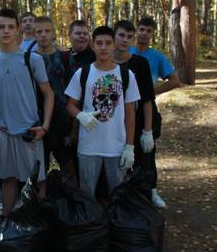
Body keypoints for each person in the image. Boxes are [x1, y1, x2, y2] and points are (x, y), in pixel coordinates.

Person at [0, 8, 54, 217]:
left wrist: (45, 126)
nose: (6, 31)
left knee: (37, 180)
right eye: (1, 27)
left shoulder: (32, 59)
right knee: (8, 179)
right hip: (3, 131)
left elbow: (48, 94)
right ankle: (8, 224)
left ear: (18, 29)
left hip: (30, 130)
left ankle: (37, 224)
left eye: (10, 27)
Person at [65, 26, 140, 197]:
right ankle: (91, 216)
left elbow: (130, 113)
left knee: (118, 195)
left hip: (117, 146)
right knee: (87, 194)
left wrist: (130, 147)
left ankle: (114, 216)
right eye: (99, 43)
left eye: (108, 43)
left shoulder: (127, 75)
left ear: (114, 45)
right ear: (93, 45)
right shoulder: (83, 73)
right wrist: (80, 115)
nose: (103, 47)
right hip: (88, 146)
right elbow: (70, 105)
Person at [130, 16, 180, 208]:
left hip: (147, 109)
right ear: (136, 31)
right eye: (141, 29)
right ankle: (128, 189)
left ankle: (151, 191)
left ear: (153, 34)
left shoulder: (157, 57)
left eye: (148, 31)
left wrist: (151, 92)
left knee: (147, 152)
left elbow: (174, 81)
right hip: (124, 108)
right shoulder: (125, 51)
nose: (144, 34)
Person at [113, 20, 157, 197]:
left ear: (133, 39)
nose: (125, 40)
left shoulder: (140, 63)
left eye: (129, 37)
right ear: (114, 36)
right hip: (112, 124)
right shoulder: (104, 62)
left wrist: (148, 131)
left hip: (137, 121)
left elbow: (147, 100)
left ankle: (148, 195)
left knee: (143, 162)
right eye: (121, 35)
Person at [33, 16, 77, 183]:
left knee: (69, 166)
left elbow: (75, 93)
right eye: (39, 32)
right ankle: (40, 198)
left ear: (53, 33)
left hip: (63, 120)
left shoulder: (65, 57)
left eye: (47, 31)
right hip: (38, 120)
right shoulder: (29, 59)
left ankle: (75, 197)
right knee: (39, 170)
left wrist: (74, 127)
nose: (43, 35)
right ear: (34, 34)